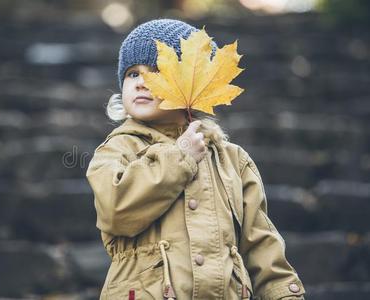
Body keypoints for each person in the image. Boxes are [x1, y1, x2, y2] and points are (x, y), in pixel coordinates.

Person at [86, 18, 305, 300]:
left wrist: (284, 294)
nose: (141, 83)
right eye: (132, 74)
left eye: (157, 72)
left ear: (195, 84)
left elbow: (261, 243)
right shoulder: (117, 149)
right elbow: (115, 210)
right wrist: (180, 158)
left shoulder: (234, 161)